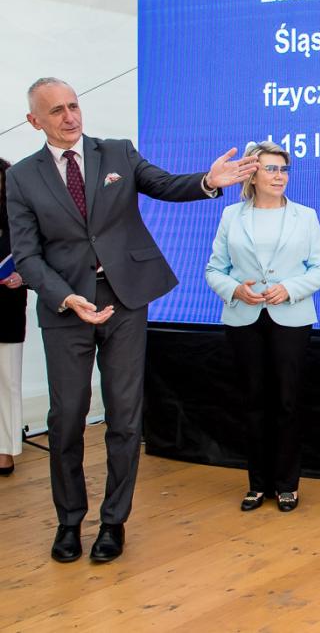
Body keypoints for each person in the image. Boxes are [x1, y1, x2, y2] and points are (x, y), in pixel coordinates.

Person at [5, 77, 256, 563]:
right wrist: (66, 298)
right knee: (66, 418)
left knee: (124, 416)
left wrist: (208, 182)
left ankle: (113, 522)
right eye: (56, 111)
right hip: (66, 307)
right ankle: (69, 521)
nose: (70, 116)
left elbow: (164, 185)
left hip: (125, 299)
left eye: (73, 105)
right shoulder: (22, 177)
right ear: (34, 121)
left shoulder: (117, 151)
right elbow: (27, 256)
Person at [205, 140, 320, 513]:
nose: (280, 176)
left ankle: (287, 484)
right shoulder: (232, 215)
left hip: (291, 318)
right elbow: (214, 269)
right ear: (252, 174)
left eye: (283, 169)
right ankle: (257, 484)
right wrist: (235, 290)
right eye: (271, 169)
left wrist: (290, 289)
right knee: (253, 402)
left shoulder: (305, 216)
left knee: (288, 402)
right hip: (243, 319)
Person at [0, 157, 28, 476]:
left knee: (7, 381)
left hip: (7, 308)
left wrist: (22, 276)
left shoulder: (20, 217)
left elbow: (35, 257)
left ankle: (5, 451)